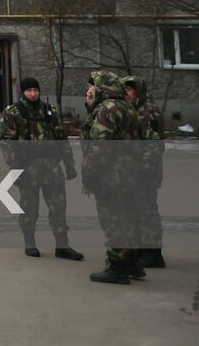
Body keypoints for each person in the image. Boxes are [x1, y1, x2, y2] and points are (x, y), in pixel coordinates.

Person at [0, 76, 83, 260]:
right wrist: (15, 168)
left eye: (35, 90)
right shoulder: (13, 112)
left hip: (52, 166)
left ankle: (62, 245)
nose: (33, 94)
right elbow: (7, 142)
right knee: (30, 207)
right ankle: (30, 242)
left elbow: (61, 138)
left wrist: (69, 165)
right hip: (28, 167)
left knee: (58, 207)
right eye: (29, 90)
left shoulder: (49, 110)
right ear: (23, 92)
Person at [82, 71, 145, 285]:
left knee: (113, 219)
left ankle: (118, 268)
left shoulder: (107, 109)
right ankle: (133, 263)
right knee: (128, 217)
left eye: (92, 86)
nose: (89, 90)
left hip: (111, 175)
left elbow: (99, 147)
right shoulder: (127, 107)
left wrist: (89, 174)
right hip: (129, 172)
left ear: (102, 88)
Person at [123, 75, 166, 269]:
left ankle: (153, 254)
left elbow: (154, 144)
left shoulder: (148, 112)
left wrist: (145, 167)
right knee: (134, 209)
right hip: (134, 170)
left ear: (138, 92)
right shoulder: (134, 110)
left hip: (145, 171)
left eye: (129, 91)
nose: (126, 94)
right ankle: (142, 249)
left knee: (147, 210)